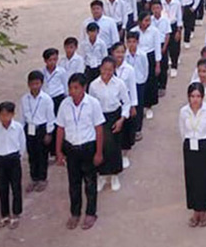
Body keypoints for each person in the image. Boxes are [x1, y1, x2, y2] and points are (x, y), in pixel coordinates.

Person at [55, 73, 105, 230]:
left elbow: (99, 129)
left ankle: (91, 213)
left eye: (76, 88)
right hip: (72, 149)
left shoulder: (93, 104)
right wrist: (59, 152)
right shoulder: (65, 105)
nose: (72, 91)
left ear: (84, 88)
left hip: (88, 148)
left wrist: (98, 152)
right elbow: (60, 129)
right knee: (73, 183)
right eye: (70, 88)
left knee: (90, 182)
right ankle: (75, 213)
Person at [180, 82, 206, 228]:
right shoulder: (183, 111)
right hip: (190, 146)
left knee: (205, 178)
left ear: (202, 97)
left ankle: (204, 211)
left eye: (198, 96)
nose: (195, 99)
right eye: (192, 96)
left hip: (205, 146)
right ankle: (195, 210)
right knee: (192, 178)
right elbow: (182, 130)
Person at [88, 57, 128, 192]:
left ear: (114, 70)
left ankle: (114, 175)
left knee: (114, 146)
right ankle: (102, 175)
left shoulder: (119, 84)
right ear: (100, 68)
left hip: (114, 116)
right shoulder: (93, 85)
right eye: (105, 69)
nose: (107, 72)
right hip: (100, 117)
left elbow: (126, 103)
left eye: (110, 70)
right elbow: (91, 104)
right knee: (101, 145)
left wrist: (121, 119)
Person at [0, 101, 26, 229]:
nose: (5, 118)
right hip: (1, 160)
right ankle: (4, 214)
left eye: (7, 115)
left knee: (16, 187)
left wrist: (18, 157)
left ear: (12, 115)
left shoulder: (18, 128)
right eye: (2, 115)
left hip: (14, 159)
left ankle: (16, 213)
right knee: (2, 188)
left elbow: (22, 145)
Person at [21, 70, 55, 193]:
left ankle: (42, 178)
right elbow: (22, 116)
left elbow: (51, 117)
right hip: (29, 128)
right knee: (32, 154)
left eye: (37, 83)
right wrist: (21, 132)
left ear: (41, 84)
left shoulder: (46, 99)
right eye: (32, 84)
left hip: (42, 128)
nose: (35, 86)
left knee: (42, 154)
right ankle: (34, 178)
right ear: (28, 84)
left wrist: (49, 133)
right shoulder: (24, 99)